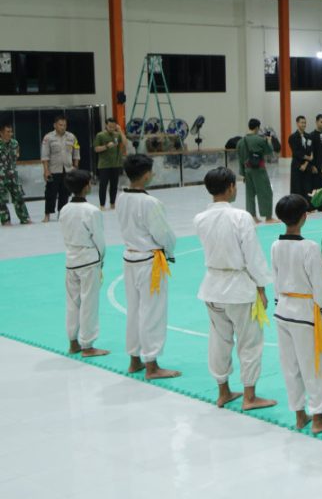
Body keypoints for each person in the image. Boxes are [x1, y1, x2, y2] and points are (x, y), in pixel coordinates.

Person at [193, 167, 277, 411]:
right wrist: (261, 287)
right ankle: (249, 396)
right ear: (231, 187)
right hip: (239, 288)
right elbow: (252, 255)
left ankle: (223, 391)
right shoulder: (240, 217)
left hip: (212, 286)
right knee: (250, 342)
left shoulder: (200, 219)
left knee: (219, 341)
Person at [271, 194, 322, 434]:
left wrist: (277, 302)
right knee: (315, 366)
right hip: (304, 312)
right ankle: (319, 418)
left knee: (290, 365)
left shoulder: (276, 245)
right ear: (304, 217)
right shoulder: (309, 247)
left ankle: (299, 414)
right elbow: (319, 284)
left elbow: (275, 278)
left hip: (282, 310)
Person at [117, 154, 180, 380]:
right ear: (146, 175)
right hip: (149, 261)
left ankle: (134, 359)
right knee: (152, 312)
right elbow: (164, 234)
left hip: (130, 258)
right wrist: (170, 251)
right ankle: (151, 364)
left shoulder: (121, 198)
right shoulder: (150, 203)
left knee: (134, 310)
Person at [58, 169, 109, 358]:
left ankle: (73, 342)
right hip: (88, 261)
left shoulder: (64, 209)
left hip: (71, 259)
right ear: (86, 186)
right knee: (89, 303)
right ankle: (87, 345)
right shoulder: (92, 211)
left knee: (73, 302)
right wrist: (101, 259)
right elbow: (99, 239)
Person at [41, 114, 80, 222]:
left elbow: (76, 152)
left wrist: (75, 166)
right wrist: (46, 170)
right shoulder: (48, 138)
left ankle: (62, 214)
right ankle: (47, 215)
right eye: (60, 125)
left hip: (68, 169)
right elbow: (45, 155)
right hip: (53, 170)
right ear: (55, 125)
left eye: (64, 125)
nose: (63, 127)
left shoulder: (71, 137)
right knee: (50, 193)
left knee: (65, 193)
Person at [236, 119, 276, 223]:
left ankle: (252, 216)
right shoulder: (260, 140)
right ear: (257, 127)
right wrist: (269, 141)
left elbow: (240, 159)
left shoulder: (240, 142)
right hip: (259, 170)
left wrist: (243, 173)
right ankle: (268, 217)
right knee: (266, 192)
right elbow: (269, 151)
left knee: (250, 194)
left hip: (247, 170)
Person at [0, 122, 30, 225]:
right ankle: (6, 220)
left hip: (13, 176)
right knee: (1, 200)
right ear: (1, 133)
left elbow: (16, 155)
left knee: (19, 197)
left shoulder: (15, 143)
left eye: (11, 131)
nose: (10, 134)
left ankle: (24, 218)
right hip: (0, 177)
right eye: (7, 132)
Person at [93, 117, 126, 210]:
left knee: (114, 186)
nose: (111, 128)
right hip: (104, 165)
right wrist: (106, 146)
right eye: (110, 126)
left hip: (116, 164)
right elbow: (96, 149)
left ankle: (112, 203)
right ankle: (102, 205)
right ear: (106, 125)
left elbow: (125, 143)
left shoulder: (117, 135)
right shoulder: (100, 135)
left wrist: (120, 131)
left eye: (113, 126)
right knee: (103, 185)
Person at [287, 116, 317, 198]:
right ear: (297, 123)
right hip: (297, 165)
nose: (304, 124)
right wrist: (308, 158)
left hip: (307, 166)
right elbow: (296, 152)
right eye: (302, 122)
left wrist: (306, 163)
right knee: (297, 187)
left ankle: (307, 205)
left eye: (305, 123)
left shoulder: (309, 136)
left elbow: (310, 150)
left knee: (307, 187)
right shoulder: (292, 137)